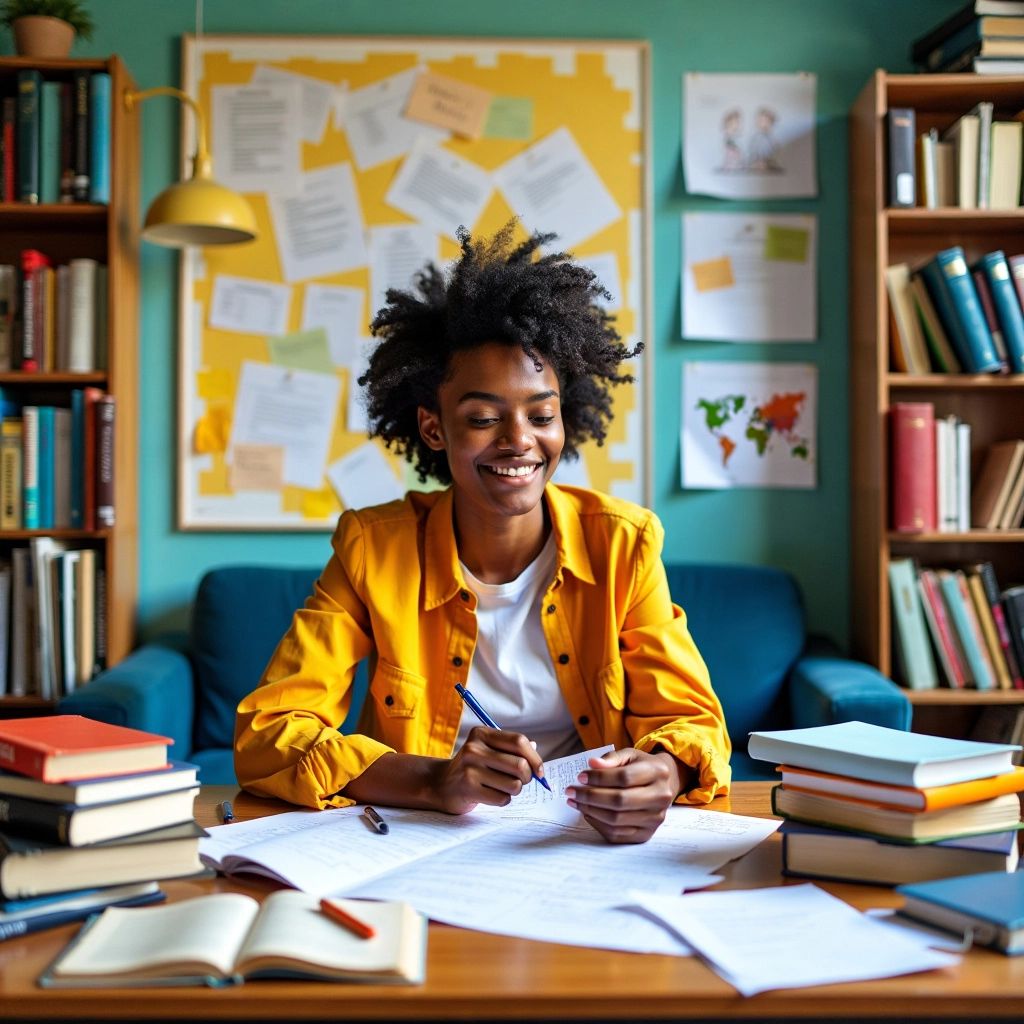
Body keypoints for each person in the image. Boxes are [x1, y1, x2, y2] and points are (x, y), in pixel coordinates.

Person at [234, 224, 731, 844]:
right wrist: (434, 781)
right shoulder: (372, 547)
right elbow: (268, 734)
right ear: (434, 429)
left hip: (584, 844)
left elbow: (692, 722)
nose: (519, 440)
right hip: (423, 842)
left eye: (541, 415)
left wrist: (663, 769)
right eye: (483, 418)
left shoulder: (623, 545)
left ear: (564, 422)